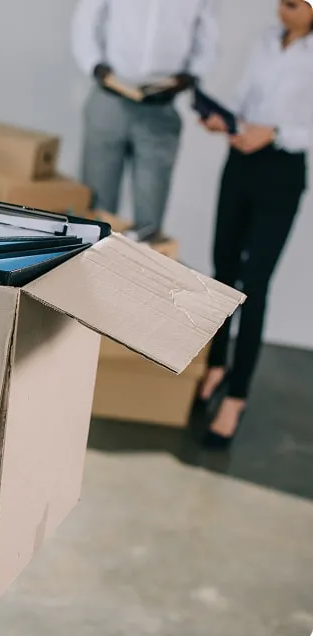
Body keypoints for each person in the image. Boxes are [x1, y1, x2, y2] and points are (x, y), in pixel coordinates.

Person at [198, 0, 313, 447]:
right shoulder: (266, 40)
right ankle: (215, 367)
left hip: (281, 174)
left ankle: (236, 397)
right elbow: (246, 95)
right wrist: (225, 121)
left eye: (291, 4)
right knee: (223, 272)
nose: (280, 10)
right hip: (241, 162)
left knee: (254, 284)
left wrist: (277, 133)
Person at [72, 0, 220, 231]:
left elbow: (208, 37)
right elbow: (85, 20)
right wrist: (94, 65)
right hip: (110, 99)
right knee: (93, 208)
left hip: (160, 108)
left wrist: (191, 75)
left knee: (150, 218)